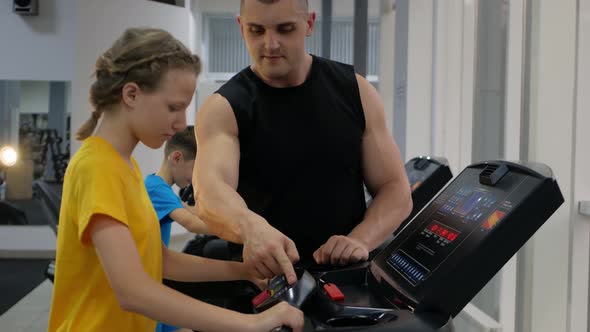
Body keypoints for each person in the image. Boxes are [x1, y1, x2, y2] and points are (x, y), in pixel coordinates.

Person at [48, 27, 303, 332]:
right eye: (173, 107)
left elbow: (159, 260)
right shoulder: (97, 166)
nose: (182, 123)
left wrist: (243, 270)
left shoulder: (125, 167)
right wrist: (252, 323)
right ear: (131, 94)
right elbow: (133, 291)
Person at [194, 0, 413, 285]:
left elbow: (395, 189)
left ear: (309, 24)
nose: (270, 44)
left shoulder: (355, 90)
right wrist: (251, 228)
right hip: (266, 284)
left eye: (285, 30)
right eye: (256, 31)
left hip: (347, 280)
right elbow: (209, 192)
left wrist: (360, 240)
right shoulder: (225, 107)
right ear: (240, 28)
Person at [144, 125, 209, 332]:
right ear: (177, 158)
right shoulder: (155, 188)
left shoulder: (160, 186)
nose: (195, 178)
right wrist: (240, 231)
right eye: (195, 169)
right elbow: (190, 223)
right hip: (148, 285)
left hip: (157, 279)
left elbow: (189, 210)